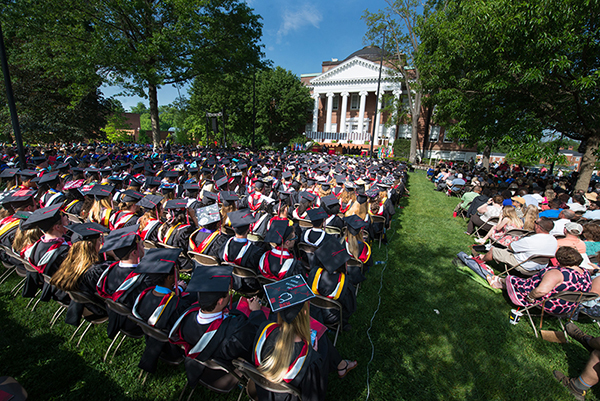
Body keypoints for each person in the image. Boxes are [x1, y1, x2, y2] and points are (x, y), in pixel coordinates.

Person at [253, 275, 357, 401]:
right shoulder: (310, 361)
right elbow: (314, 396)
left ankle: (341, 365)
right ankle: (341, 365)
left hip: (264, 394)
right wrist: (312, 353)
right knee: (322, 341)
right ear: (306, 313)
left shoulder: (264, 331)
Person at [168, 265, 267, 388]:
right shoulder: (236, 330)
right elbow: (256, 333)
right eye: (227, 293)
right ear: (220, 301)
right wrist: (256, 312)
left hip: (202, 365)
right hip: (223, 374)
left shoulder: (186, 319)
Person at [131, 248, 194, 373]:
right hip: (173, 348)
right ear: (170, 278)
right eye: (176, 270)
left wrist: (178, 290)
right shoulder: (178, 305)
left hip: (151, 338)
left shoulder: (143, 296)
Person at [487, 246, 591, 316]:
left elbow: (540, 291)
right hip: (566, 307)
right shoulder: (586, 273)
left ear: (559, 260)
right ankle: (501, 284)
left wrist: (529, 297)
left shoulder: (558, 273)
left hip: (547, 303)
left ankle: (500, 280)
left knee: (512, 279)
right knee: (522, 282)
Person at [51, 222, 110, 326]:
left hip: (86, 306)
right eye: (99, 241)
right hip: (99, 310)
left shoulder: (70, 263)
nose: (100, 243)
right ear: (90, 245)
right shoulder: (94, 272)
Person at [307, 237, 356, 330]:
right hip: (332, 317)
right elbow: (349, 307)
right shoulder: (345, 282)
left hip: (313, 311)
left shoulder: (314, 273)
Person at [481, 217, 557, 275]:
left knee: (493, 250)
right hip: (539, 268)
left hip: (523, 265)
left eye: (535, 222)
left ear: (538, 227)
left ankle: (480, 262)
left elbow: (511, 247)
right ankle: (482, 256)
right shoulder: (554, 240)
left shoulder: (530, 240)